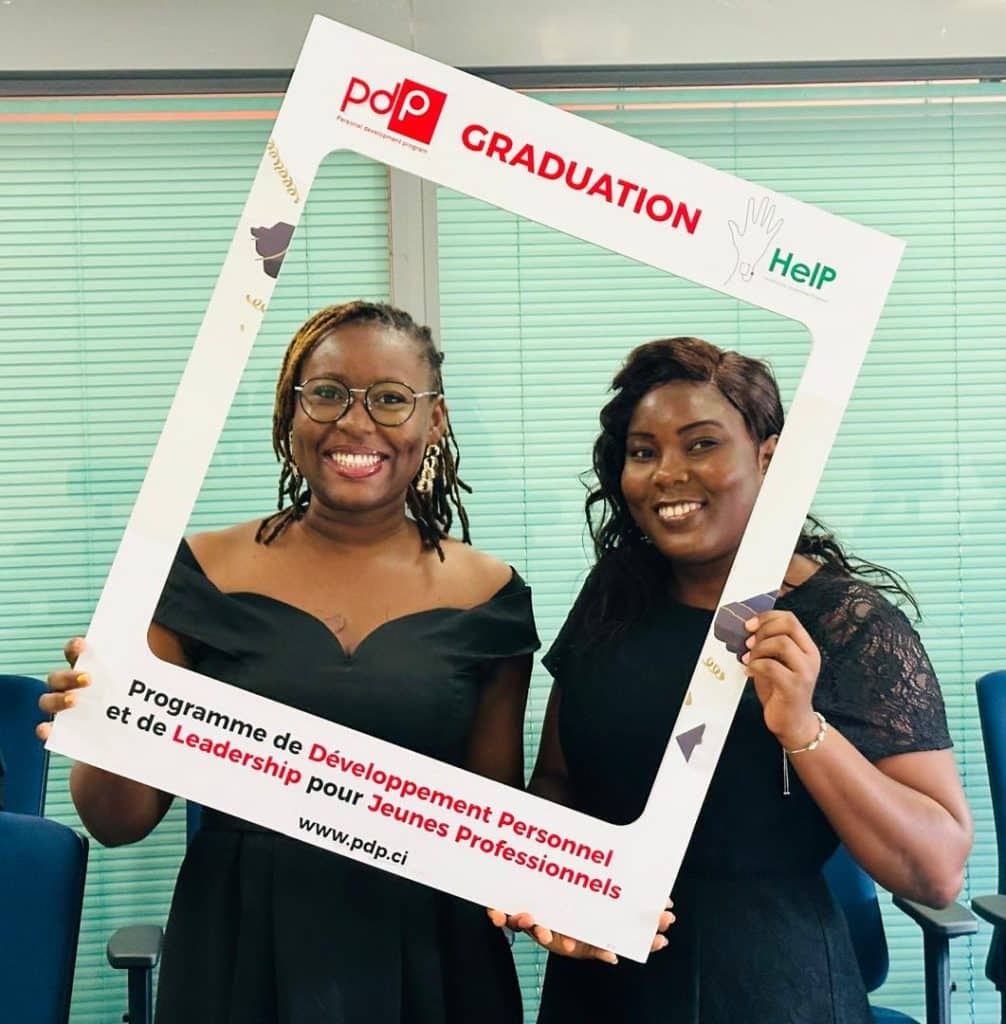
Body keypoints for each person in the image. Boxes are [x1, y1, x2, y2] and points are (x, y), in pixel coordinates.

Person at [38, 300, 539, 1024]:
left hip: (433, 956)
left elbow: (495, 836)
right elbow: (118, 822)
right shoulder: (193, 576)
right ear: (290, 412)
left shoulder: (491, 597)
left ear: (434, 421)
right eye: (327, 393)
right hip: (239, 949)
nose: (356, 423)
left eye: (390, 398)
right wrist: (106, 718)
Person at [501, 336, 972, 1023]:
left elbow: (936, 869)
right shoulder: (615, 594)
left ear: (769, 458)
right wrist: (554, 882)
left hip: (771, 982)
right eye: (643, 452)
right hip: (603, 983)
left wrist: (803, 730)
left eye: (701, 444)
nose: (667, 473)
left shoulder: (846, 624)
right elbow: (558, 781)